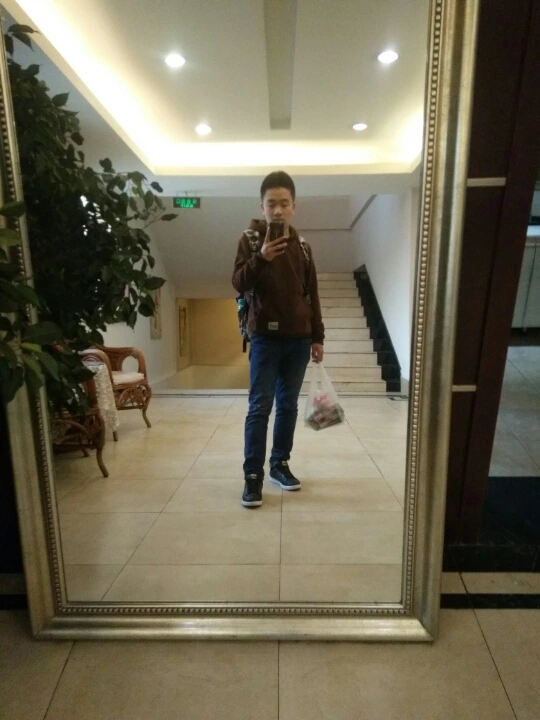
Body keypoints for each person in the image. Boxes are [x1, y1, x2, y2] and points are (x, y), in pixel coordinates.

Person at [232, 171, 324, 508]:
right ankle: (252, 476)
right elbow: (238, 283)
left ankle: (279, 465)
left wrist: (318, 336)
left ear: (294, 207)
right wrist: (263, 257)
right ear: (262, 207)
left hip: (299, 339)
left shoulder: (303, 247)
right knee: (260, 407)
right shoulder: (249, 240)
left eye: (284, 203)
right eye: (271, 203)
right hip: (264, 340)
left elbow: (311, 294)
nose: (278, 210)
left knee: (288, 406)